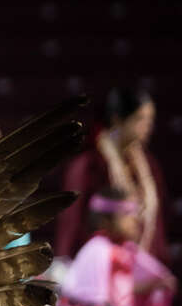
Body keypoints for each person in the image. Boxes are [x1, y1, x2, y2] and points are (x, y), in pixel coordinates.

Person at [57, 87, 167, 262]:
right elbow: (72, 221)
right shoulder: (90, 164)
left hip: (141, 262)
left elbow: (155, 222)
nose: (148, 127)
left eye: (150, 120)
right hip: (100, 264)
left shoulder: (148, 166)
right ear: (118, 120)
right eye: (140, 119)